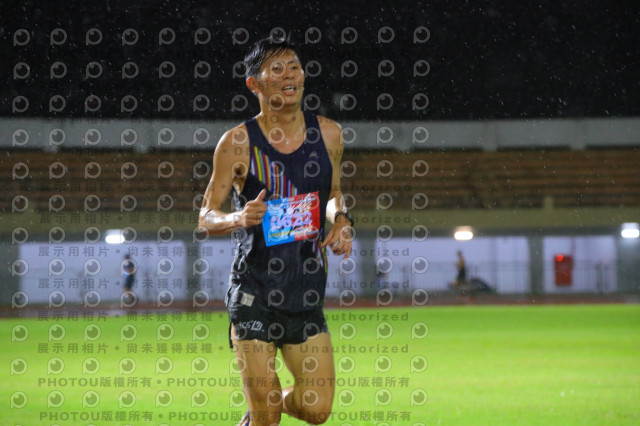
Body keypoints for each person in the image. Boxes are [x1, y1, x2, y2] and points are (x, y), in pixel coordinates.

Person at [198, 36, 353, 426]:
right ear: (254, 83)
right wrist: (238, 218)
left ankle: (260, 407)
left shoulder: (330, 134)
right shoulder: (237, 143)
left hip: (306, 290)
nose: (290, 76)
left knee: (316, 409)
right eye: (277, 69)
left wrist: (341, 219)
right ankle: (261, 411)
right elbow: (206, 216)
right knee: (267, 420)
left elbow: (333, 193)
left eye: (295, 67)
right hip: (255, 291)